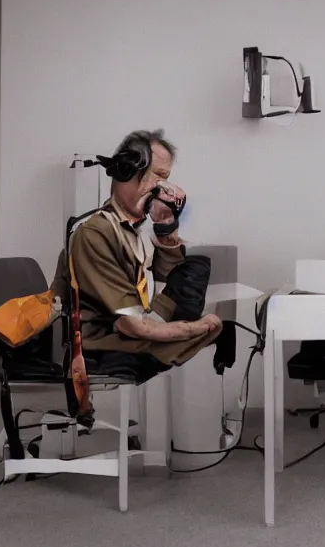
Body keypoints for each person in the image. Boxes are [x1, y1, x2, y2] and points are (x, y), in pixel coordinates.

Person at [52, 129, 224, 404]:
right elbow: (132, 325)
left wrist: (166, 223)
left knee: (196, 266)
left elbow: (167, 274)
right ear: (126, 171)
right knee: (216, 330)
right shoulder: (95, 234)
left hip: (136, 318)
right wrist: (197, 327)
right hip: (106, 338)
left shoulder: (130, 229)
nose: (164, 188)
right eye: (160, 176)